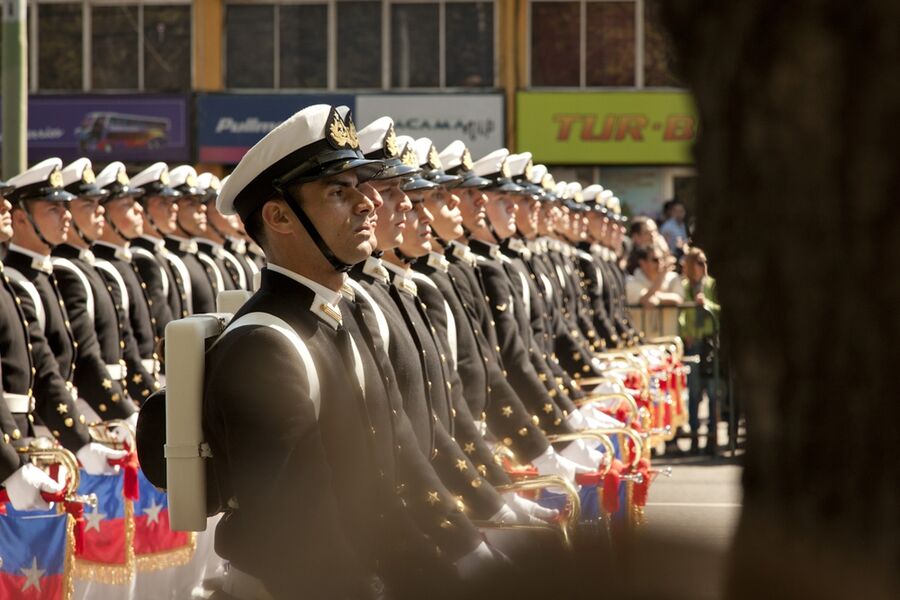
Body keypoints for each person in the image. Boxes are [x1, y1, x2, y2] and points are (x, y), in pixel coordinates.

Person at [204, 104, 496, 599]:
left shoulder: (340, 315)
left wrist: (461, 566)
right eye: (340, 192)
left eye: (361, 189)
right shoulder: (265, 346)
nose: (368, 205)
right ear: (279, 217)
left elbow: (383, 491)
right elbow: (303, 534)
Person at [680, 246, 720, 454]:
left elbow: (720, 310)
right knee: (694, 393)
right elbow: (681, 314)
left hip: (710, 342)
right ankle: (695, 438)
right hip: (692, 342)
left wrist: (708, 304)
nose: (702, 267)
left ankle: (713, 438)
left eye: (704, 262)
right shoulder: (685, 286)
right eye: (698, 262)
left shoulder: (712, 285)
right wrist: (686, 332)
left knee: (713, 392)